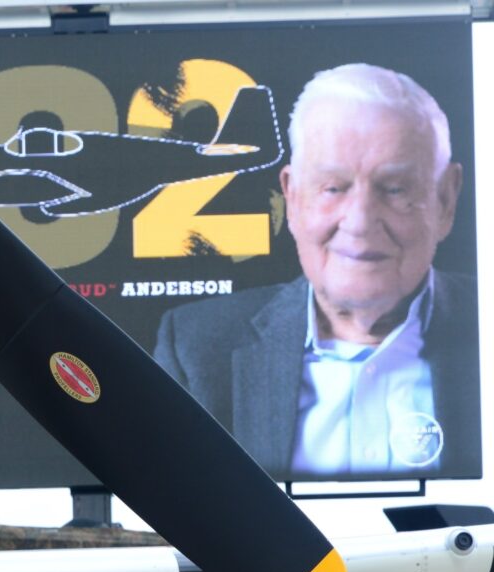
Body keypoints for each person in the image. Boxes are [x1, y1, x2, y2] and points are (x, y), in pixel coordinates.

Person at [153, 63, 480, 480]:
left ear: (446, 200)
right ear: (292, 198)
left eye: (395, 189)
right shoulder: (196, 351)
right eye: (333, 188)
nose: (359, 221)